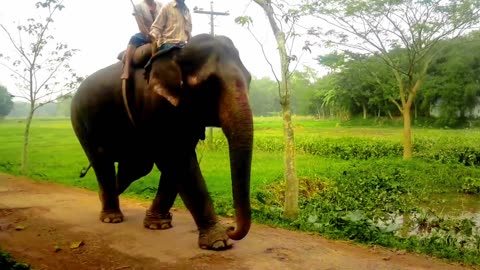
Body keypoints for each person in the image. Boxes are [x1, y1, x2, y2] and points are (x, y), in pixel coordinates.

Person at [121, 0, 162, 80]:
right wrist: (149, 35)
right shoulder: (138, 7)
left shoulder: (161, 6)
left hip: (161, 33)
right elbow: (141, 26)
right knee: (134, 38)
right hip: (146, 33)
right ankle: (126, 68)